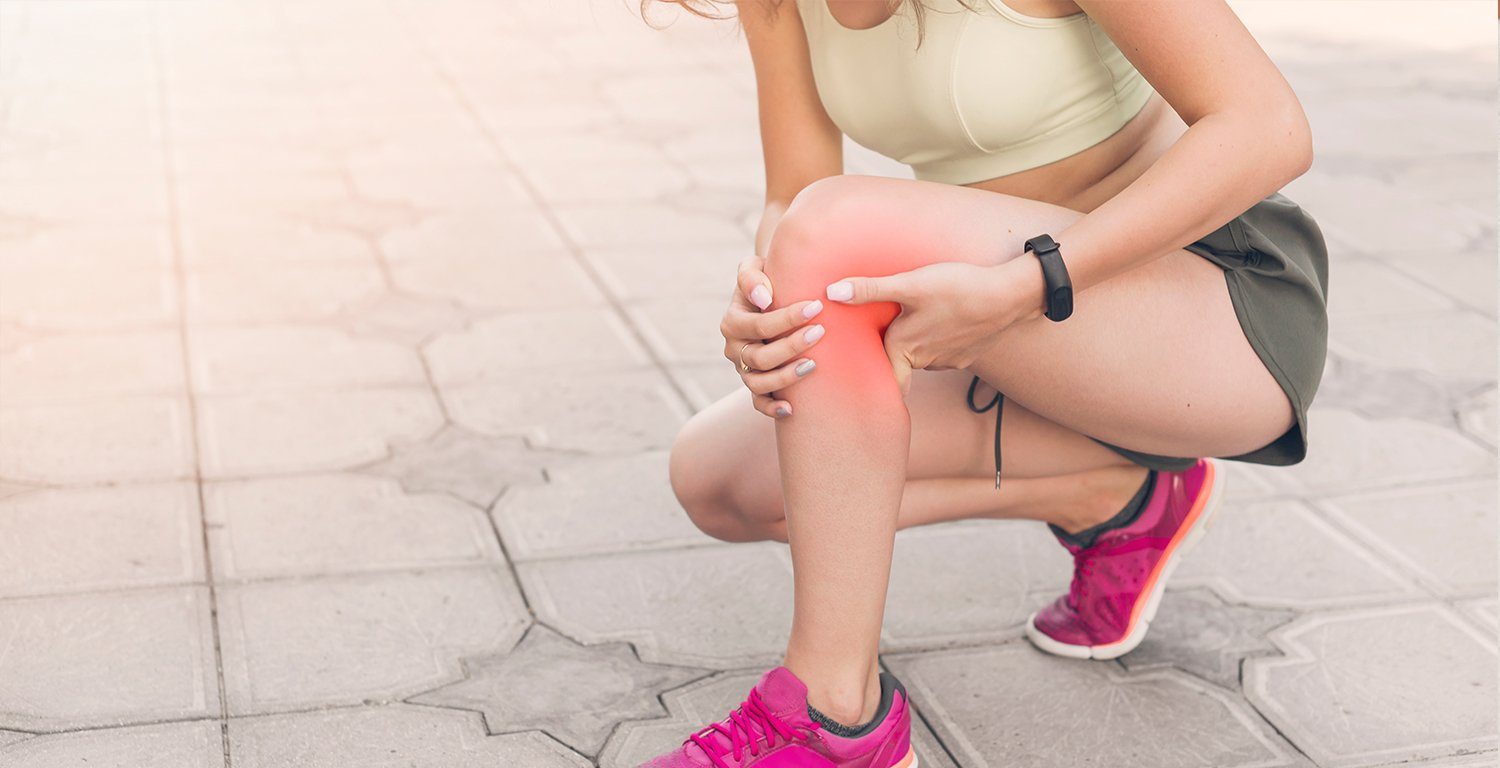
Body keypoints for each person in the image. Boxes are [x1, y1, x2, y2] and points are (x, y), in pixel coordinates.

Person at [643, 1, 1328, 766]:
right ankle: (1118, 498)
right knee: (721, 479)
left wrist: (1033, 281)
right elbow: (795, 192)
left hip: (1209, 304)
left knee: (837, 230)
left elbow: (1269, 126)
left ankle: (836, 717)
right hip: (1025, 333)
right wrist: (769, 301)